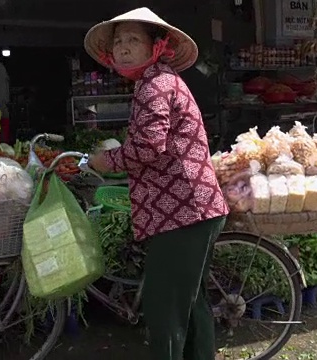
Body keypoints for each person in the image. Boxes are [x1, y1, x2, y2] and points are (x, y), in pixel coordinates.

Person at [84, 8, 230, 360]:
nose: (122, 48)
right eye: (118, 41)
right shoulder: (155, 81)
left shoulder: (155, 84)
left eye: (133, 39)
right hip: (191, 209)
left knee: (165, 309)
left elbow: (148, 147)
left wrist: (106, 161)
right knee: (190, 303)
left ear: (157, 46)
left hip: (181, 213)